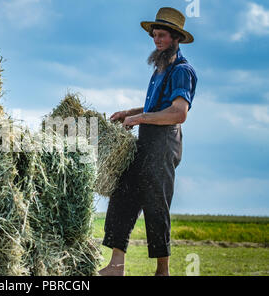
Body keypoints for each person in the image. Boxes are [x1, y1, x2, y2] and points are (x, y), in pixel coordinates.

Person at [99, 7, 198, 276]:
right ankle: (116, 266)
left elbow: (178, 112)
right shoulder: (159, 69)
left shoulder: (181, 70)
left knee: (156, 205)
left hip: (164, 143)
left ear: (176, 37)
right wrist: (129, 113)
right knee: (123, 195)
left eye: (162, 35)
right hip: (146, 143)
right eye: (154, 35)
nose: (156, 40)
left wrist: (140, 117)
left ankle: (162, 271)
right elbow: (156, 105)